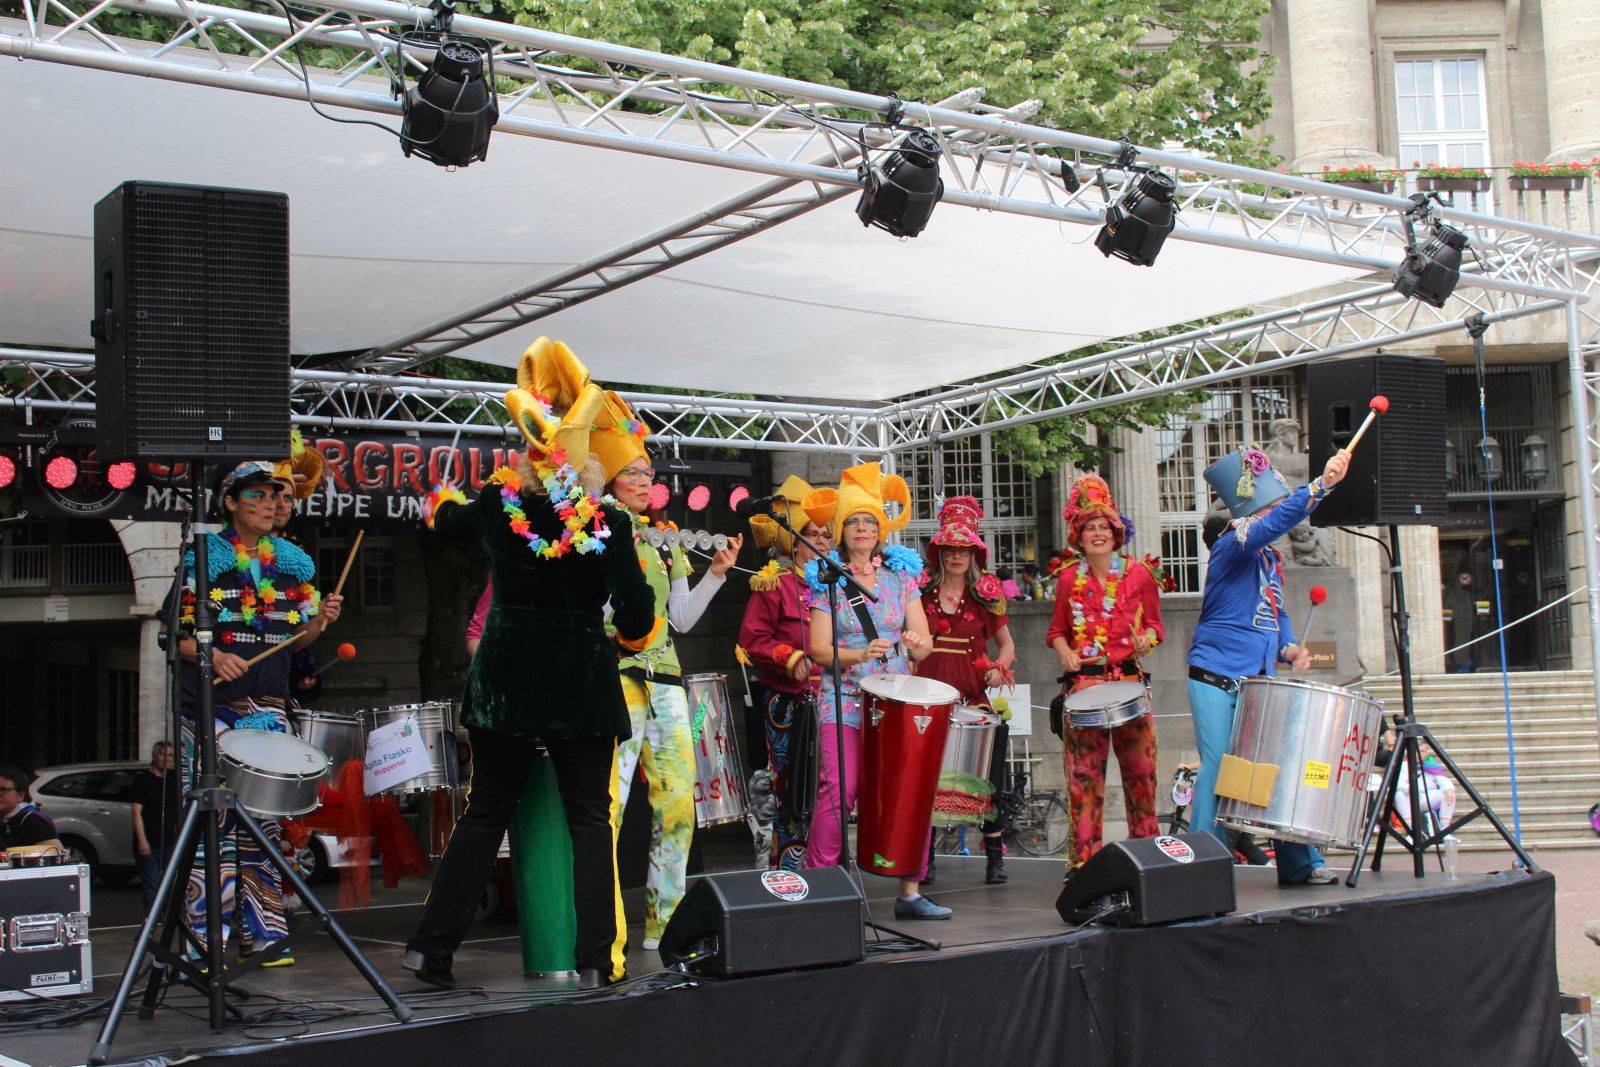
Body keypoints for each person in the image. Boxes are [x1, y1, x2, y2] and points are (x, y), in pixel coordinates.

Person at [404, 338, 655, 990]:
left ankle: (430, 949)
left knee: (486, 812)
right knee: (589, 821)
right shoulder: (607, 523)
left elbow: (448, 521)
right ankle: (595, 960)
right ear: (588, 460)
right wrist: (624, 631)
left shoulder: (498, 507)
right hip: (578, 686)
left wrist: (442, 499)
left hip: (505, 683)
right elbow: (636, 616)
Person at [174, 460, 345, 966]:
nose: (271, 504)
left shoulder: (292, 564)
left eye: (276, 496)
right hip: (213, 709)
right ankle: (204, 938)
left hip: (268, 705)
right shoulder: (202, 558)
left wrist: (320, 622)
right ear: (230, 503)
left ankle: (266, 935)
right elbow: (175, 637)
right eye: (258, 495)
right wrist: (213, 656)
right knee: (213, 824)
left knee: (265, 824)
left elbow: (297, 641)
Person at [1186, 444, 1349, 886]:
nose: (1279, 512)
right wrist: (1320, 486)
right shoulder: (1233, 543)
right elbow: (1277, 522)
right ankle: (1202, 867)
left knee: (1274, 767)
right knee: (1218, 767)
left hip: (1258, 680)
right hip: (1216, 674)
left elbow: (1277, 614)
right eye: (1273, 503)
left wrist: (1290, 647)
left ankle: (1300, 863)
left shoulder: (1269, 561)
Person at [606, 441, 744, 955]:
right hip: (617, 676)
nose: (644, 481)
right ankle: (604, 931)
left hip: (665, 678)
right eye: (631, 472)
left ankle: (664, 923)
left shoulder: (666, 539)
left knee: (679, 802)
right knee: (610, 805)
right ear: (609, 480)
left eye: (648, 473)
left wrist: (717, 574)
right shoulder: (593, 532)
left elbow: (681, 619)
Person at [800, 463, 942, 919]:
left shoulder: (901, 578)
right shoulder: (827, 578)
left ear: (881, 530)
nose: (862, 528)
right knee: (839, 791)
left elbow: (922, 642)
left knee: (908, 788)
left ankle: (910, 892)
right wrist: (859, 655)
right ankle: (820, 888)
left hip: (894, 701)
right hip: (842, 700)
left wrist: (917, 643)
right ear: (840, 532)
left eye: (870, 521)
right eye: (853, 522)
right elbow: (818, 650)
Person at [1048, 475, 1167, 870]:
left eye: (1103, 526)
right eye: (1089, 528)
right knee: (1084, 780)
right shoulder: (1069, 579)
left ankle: (1149, 860)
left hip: (1129, 683)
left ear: (1116, 533)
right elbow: (1056, 632)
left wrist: (1145, 640)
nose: (1097, 533)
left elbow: (1156, 627)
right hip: (1085, 686)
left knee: (1141, 776)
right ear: (1078, 537)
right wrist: (1066, 652)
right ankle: (1085, 867)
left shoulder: (1139, 574)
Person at [914, 496, 1016, 884]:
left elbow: (1007, 646)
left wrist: (999, 669)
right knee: (927, 780)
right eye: (950, 548)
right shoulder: (919, 593)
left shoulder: (987, 595)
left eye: (963, 549)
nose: (956, 555)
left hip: (973, 700)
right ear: (939, 552)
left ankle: (995, 857)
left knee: (988, 777)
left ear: (974, 553)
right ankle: (924, 859)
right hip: (928, 700)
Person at [738, 476, 832, 870]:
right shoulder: (775, 583)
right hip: (789, 702)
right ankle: (787, 871)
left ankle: (825, 867)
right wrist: (790, 657)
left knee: (830, 787)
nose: (821, 542)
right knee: (791, 786)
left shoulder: (835, 586)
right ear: (794, 541)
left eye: (826, 535)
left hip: (834, 700)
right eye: (812, 534)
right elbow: (752, 638)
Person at [131, 741, 182, 909]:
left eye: (171, 755)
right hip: (150, 841)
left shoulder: (175, 778)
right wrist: (142, 840)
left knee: (170, 885)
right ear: (155, 756)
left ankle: (166, 917)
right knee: (152, 886)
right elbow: (136, 812)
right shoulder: (142, 780)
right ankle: (152, 918)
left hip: (169, 840)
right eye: (163, 754)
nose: (167, 759)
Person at [0, 766, 62, 853]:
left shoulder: (33, 820)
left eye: (3, 790)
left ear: (20, 795)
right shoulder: (5, 819)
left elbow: (55, 855)